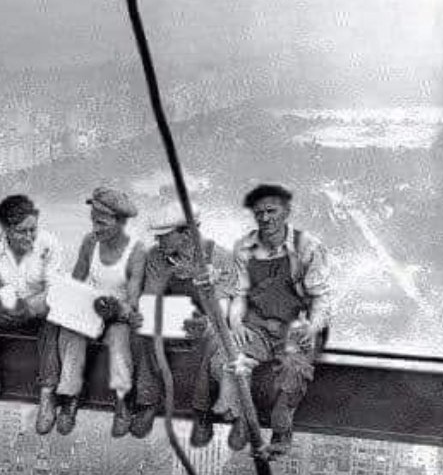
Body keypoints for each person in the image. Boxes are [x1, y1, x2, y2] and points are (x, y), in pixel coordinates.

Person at [202, 183, 332, 456]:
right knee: (228, 357)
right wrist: (236, 324)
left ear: (286, 212)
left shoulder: (307, 247)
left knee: (293, 371)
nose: (265, 218)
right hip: (258, 325)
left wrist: (313, 326)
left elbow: (320, 298)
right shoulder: (245, 247)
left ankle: (281, 432)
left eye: (271, 211)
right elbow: (239, 294)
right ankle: (239, 416)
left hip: (295, 327)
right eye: (259, 213)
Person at [127, 200, 235, 440]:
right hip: (168, 318)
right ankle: (148, 401)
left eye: (164, 236)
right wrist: (141, 313)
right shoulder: (157, 256)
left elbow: (223, 310)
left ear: (187, 233)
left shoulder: (220, 258)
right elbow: (150, 298)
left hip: (204, 321)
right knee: (141, 332)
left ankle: (201, 410)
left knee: (215, 338)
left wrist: (204, 320)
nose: (158, 241)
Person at [56, 186, 146, 437]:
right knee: (72, 335)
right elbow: (77, 279)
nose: (96, 228)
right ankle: (70, 397)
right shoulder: (90, 242)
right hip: (90, 309)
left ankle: (122, 401)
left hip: (117, 314)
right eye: (93, 222)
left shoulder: (136, 251)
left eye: (102, 223)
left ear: (120, 222)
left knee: (119, 342)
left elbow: (133, 297)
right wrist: (71, 300)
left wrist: (117, 308)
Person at [0, 194, 63, 429]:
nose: (30, 236)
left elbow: (55, 291)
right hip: (5, 308)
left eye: (33, 229)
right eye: (23, 231)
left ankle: (47, 395)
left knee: (53, 322)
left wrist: (28, 307)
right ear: (6, 230)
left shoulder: (49, 243)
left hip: (38, 309)